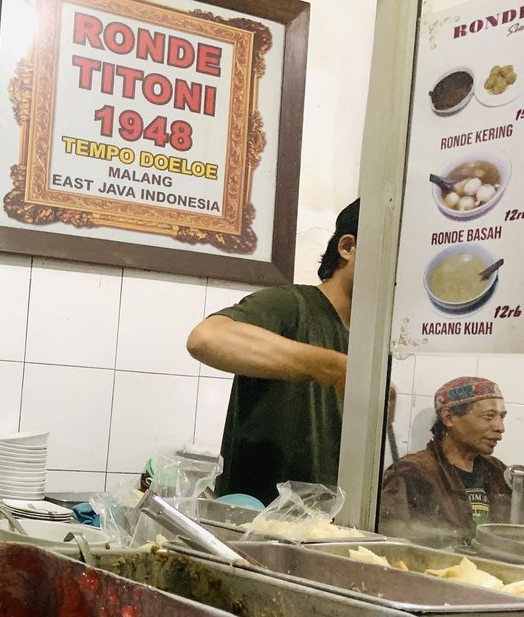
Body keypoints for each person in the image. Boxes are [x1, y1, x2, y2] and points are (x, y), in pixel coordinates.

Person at [186, 200, 358, 504]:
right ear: (347, 247)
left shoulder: (370, 341)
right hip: (256, 522)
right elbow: (207, 339)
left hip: (330, 527)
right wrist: (331, 366)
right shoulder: (293, 306)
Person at [380, 377, 510, 546]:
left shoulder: (498, 472)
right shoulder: (412, 473)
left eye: (502, 417)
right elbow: (392, 542)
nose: (500, 427)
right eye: (489, 416)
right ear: (448, 417)